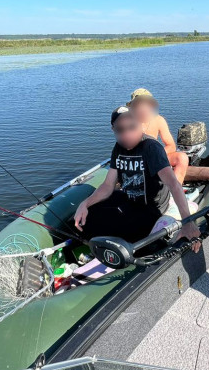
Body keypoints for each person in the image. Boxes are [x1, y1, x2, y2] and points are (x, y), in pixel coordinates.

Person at [73, 105, 201, 252]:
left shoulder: (151, 148)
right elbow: (108, 185)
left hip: (150, 209)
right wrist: (85, 204)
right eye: (120, 130)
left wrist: (187, 222)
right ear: (113, 129)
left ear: (141, 125)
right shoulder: (118, 148)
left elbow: (173, 184)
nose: (126, 134)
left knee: (112, 228)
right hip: (129, 200)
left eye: (131, 127)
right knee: (86, 215)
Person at [127, 88, 189, 185]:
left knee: (182, 158)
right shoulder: (127, 122)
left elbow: (171, 145)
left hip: (154, 157)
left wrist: (156, 155)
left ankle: (174, 191)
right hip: (135, 161)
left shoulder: (158, 120)